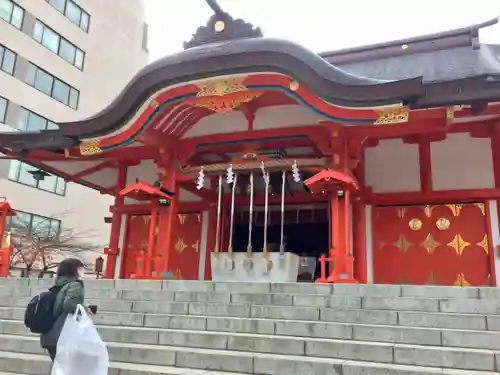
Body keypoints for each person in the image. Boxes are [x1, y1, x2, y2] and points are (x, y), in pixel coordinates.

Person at [41, 258, 86, 362]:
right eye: (80, 268)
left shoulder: (58, 284)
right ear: (75, 270)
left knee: (58, 367)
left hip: (50, 334)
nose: (82, 271)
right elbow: (69, 304)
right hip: (63, 334)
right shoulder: (75, 284)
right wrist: (83, 310)